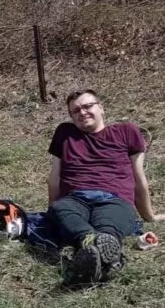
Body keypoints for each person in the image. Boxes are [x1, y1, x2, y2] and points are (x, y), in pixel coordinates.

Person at [47, 89, 164, 285]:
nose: (82, 112)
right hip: (75, 198)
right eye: (75, 111)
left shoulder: (126, 131)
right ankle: (99, 249)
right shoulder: (65, 133)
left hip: (114, 198)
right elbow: (54, 177)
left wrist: (149, 215)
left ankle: (95, 252)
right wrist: (52, 212)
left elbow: (138, 175)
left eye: (87, 106)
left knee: (108, 226)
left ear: (101, 108)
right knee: (62, 209)